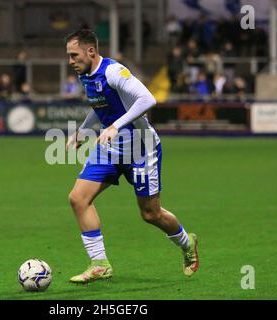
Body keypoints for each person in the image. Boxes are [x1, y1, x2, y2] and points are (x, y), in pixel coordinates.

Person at [64, 29, 199, 284]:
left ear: (91, 51)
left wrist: (115, 125)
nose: (70, 61)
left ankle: (186, 242)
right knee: (78, 199)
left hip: (141, 149)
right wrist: (83, 130)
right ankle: (100, 264)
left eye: (74, 55)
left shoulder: (114, 71)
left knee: (151, 214)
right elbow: (99, 104)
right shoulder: (86, 75)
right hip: (111, 149)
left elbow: (147, 99)